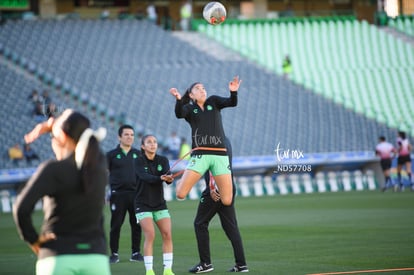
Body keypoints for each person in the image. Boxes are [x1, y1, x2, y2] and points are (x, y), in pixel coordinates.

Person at [13, 109, 110, 275]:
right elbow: (86, 140)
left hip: (58, 257)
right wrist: (56, 128)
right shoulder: (99, 169)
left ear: (62, 137)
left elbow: (21, 209)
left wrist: (34, 239)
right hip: (96, 259)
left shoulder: (53, 170)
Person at [169, 76, 242, 206]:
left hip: (220, 155)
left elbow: (232, 102)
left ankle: (209, 187)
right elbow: (179, 113)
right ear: (191, 95)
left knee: (227, 201)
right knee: (180, 194)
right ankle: (182, 182)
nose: (202, 90)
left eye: (203, 88)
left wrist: (233, 92)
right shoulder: (190, 109)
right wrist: (178, 100)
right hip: (200, 155)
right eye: (198, 88)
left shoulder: (213, 101)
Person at [189, 137, 248, 273]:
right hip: (228, 186)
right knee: (230, 227)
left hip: (216, 188)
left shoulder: (210, 140)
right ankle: (241, 264)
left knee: (200, 223)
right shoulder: (225, 139)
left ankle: (205, 263)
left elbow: (214, 164)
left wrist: (213, 186)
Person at [135, 135, 175, 275]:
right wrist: (160, 178)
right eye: (149, 142)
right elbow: (144, 177)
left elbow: (168, 178)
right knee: (150, 235)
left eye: (155, 142)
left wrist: (169, 179)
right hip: (142, 204)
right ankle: (149, 271)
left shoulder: (163, 160)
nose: (152, 144)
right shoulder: (138, 161)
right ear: (143, 146)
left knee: (167, 234)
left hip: (159, 204)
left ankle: (168, 270)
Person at [107, 124, 143, 263]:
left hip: (136, 195)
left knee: (136, 224)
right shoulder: (111, 155)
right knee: (116, 225)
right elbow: (104, 173)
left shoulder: (138, 154)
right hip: (118, 195)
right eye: (127, 134)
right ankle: (114, 254)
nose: (130, 137)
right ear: (119, 137)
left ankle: (136, 253)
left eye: (132, 135)